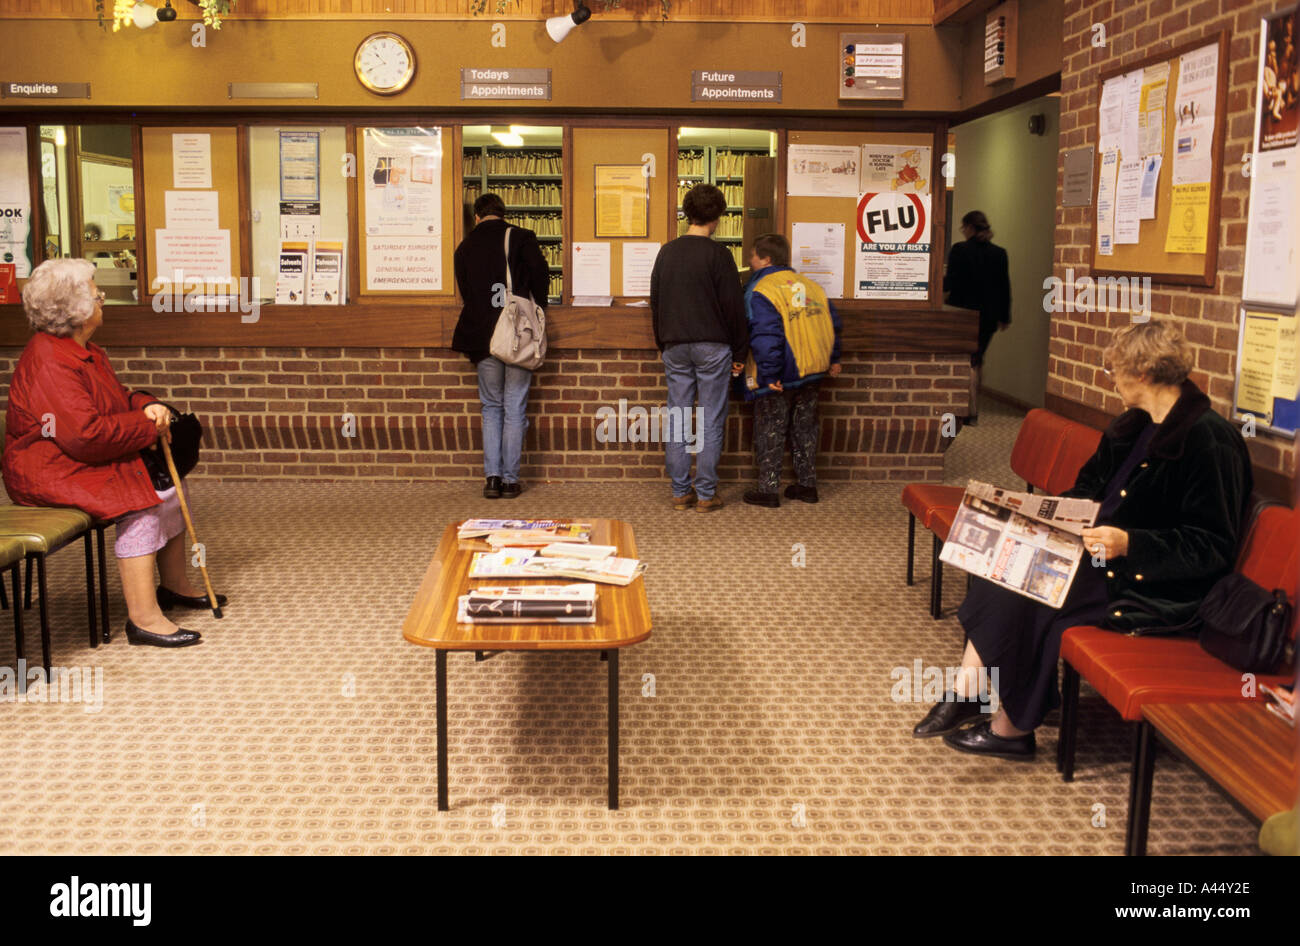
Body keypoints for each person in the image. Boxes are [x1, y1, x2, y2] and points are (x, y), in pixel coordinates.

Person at [910, 320, 1254, 759]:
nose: (1109, 380)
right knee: (1002, 561)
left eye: (1115, 371)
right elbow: (1087, 490)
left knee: (1035, 587)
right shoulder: (1133, 424)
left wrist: (1129, 543)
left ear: (1143, 373)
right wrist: (1044, 518)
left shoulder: (1209, 440)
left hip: (1150, 580)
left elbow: (1211, 547)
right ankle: (970, 691)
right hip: (1092, 552)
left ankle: (1010, 728)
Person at [3, 258, 226, 648]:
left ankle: (173, 584)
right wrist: (147, 426)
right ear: (73, 308)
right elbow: (85, 436)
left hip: (72, 457)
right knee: (141, 499)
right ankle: (143, 619)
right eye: (95, 292)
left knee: (170, 484)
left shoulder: (80, 349)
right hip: (49, 468)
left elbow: (114, 399)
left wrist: (145, 404)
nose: (101, 297)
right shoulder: (50, 361)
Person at [649, 183, 748, 512]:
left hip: (675, 345)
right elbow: (734, 307)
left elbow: (656, 301)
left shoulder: (667, 252)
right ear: (718, 216)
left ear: (687, 213)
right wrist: (739, 352)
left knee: (677, 416)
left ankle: (680, 492)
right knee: (710, 420)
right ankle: (706, 493)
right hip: (712, 345)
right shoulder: (719, 255)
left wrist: (661, 342)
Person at [452, 193, 550, 499]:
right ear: (502, 214)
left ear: (478, 217)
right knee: (514, 407)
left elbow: (466, 290)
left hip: (482, 335)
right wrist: (538, 310)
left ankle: (491, 479)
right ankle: (511, 480)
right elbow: (541, 275)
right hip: (517, 333)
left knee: (491, 407)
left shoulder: (465, 246)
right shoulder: (521, 237)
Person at [737, 233, 842, 508]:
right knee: (805, 427)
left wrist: (769, 374)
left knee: (771, 427)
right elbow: (832, 325)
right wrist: (834, 358)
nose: (750, 261)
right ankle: (807, 485)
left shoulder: (761, 289)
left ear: (766, 259)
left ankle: (768, 490)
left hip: (781, 374)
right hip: (814, 370)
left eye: (753, 256)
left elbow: (765, 335)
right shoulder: (811, 286)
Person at [944, 210, 1010, 423]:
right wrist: (1004, 316)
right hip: (989, 316)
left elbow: (951, 282)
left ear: (970, 228)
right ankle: (973, 408)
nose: (963, 232)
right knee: (977, 359)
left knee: (964, 360)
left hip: (962, 314)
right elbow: (1004, 286)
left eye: (964, 227)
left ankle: (965, 408)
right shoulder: (999, 253)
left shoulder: (959, 250)